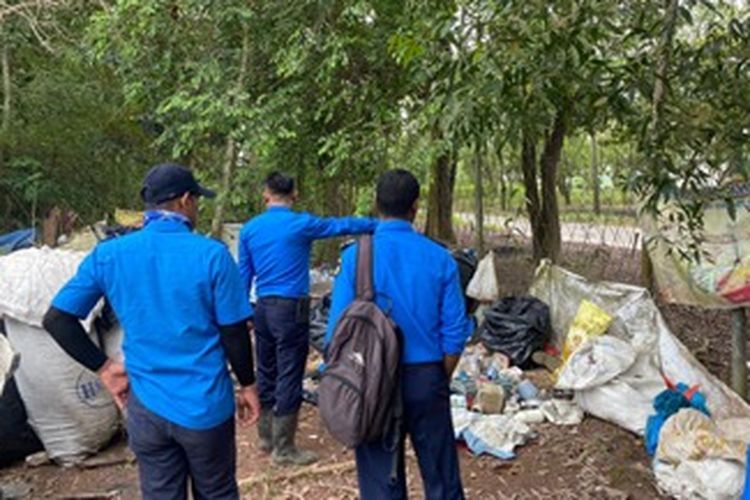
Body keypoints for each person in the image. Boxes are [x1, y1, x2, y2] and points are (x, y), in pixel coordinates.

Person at [43, 163, 260, 500]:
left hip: (146, 408)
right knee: (216, 492)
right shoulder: (212, 256)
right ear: (186, 200)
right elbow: (233, 333)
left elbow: (57, 320)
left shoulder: (109, 255)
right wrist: (248, 386)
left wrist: (104, 368)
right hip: (204, 407)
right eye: (197, 201)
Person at [325, 169, 473, 500]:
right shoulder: (440, 259)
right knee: (441, 476)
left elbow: (336, 333)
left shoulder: (355, 257)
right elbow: (455, 333)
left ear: (377, 205)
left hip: (371, 382)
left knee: (380, 482)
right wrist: (439, 376)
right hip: (425, 377)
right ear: (415, 207)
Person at [238, 171, 378, 465]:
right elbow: (340, 225)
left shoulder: (250, 229)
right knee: (289, 372)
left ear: (266, 194)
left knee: (265, 369)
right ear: (295, 194)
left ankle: (266, 438)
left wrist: (243, 313)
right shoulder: (301, 224)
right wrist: (378, 224)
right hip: (291, 309)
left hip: (261, 307)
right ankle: (284, 448)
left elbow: (243, 276)